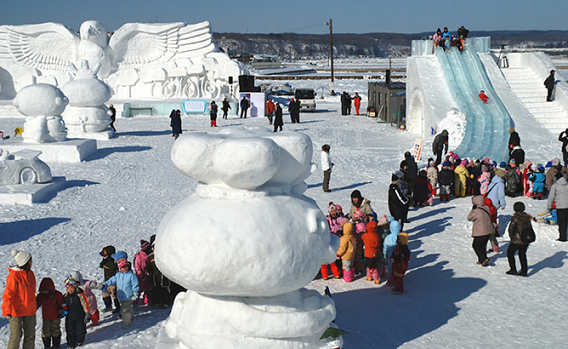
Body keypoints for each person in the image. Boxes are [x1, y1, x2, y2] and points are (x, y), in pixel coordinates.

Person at [3, 250, 36, 349]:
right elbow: (8, 294)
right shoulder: (14, 276)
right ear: (25, 262)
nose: (32, 262)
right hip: (15, 312)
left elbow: (31, 292)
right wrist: (6, 310)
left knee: (30, 336)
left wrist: (35, 302)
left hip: (30, 310)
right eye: (30, 260)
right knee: (16, 336)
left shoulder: (30, 273)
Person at [103, 259, 139, 329]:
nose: (125, 268)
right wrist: (105, 284)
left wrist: (135, 293)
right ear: (119, 268)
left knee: (125, 310)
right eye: (123, 267)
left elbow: (135, 285)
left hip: (129, 296)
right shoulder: (118, 275)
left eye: (126, 266)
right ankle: (131, 314)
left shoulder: (131, 275)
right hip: (120, 296)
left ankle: (126, 322)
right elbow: (112, 280)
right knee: (126, 308)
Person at [36, 277, 65, 349]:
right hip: (46, 318)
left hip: (55, 317)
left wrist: (64, 309)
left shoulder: (57, 295)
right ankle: (47, 345)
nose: (44, 292)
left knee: (55, 330)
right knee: (46, 332)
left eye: (46, 291)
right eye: (43, 291)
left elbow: (62, 303)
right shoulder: (41, 296)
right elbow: (37, 303)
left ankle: (56, 345)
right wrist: (34, 307)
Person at [507, 202, 533, 276]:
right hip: (525, 239)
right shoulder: (527, 217)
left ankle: (513, 269)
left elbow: (511, 229)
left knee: (510, 253)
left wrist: (512, 237)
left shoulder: (515, 218)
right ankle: (524, 271)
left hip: (516, 240)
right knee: (522, 255)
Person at [63, 278, 90, 348]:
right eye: (68, 288)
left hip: (80, 316)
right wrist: (62, 310)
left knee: (80, 330)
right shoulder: (65, 296)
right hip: (69, 317)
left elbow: (85, 304)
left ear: (75, 287)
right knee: (69, 330)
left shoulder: (80, 295)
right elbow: (62, 305)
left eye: (72, 288)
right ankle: (70, 344)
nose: (70, 290)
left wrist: (87, 313)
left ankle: (79, 340)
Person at [468, 196, 494, 266]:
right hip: (488, 230)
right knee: (482, 245)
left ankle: (483, 258)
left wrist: (472, 210)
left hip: (480, 232)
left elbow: (469, 218)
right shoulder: (486, 208)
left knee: (475, 245)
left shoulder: (476, 211)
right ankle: (481, 260)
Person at [148, 235, 171, 309]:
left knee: (164, 288)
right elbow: (149, 267)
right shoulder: (150, 256)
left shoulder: (163, 254)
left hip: (163, 274)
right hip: (154, 275)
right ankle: (156, 302)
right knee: (155, 289)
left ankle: (166, 301)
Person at [99, 245, 120, 314]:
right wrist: (104, 260)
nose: (103, 257)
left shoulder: (113, 263)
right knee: (105, 294)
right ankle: (108, 306)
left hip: (114, 283)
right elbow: (101, 265)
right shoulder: (105, 262)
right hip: (107, 281)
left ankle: (118, 307)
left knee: (115, 296)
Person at [547, 171, 568, 242]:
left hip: (560, 207)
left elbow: (551, 197)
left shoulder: (555, 186)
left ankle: (563, 237)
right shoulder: (567, 184)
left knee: (562, 223)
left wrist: (549, 207)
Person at [134, 240, 152, 305]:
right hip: (140, 276)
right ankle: (135, 300)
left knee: (148, 288)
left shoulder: (148, 255)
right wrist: (140, 274)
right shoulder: (139, 257)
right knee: (139, 289)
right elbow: (137, 267)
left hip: (147, 275)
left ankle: (147, 300)